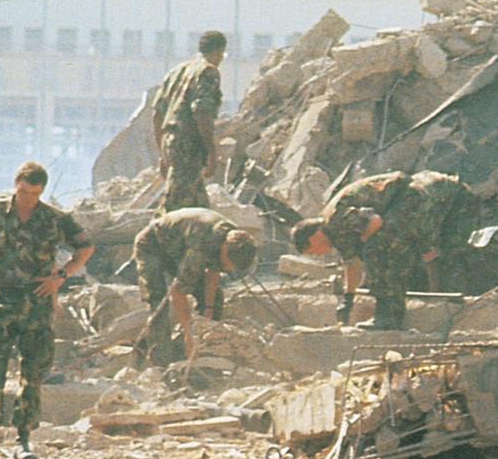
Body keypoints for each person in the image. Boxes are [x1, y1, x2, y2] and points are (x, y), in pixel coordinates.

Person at [0, 161, 95, 459]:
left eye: (34, 194)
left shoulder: (53, 219)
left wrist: (60, 276)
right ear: (16, 185)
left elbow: (86, 247)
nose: (28, 199)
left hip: (38, 304)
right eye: (24, 192)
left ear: (42, 192)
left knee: (32, 374)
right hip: (2, 302)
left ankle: (23, 441)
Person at [290, 170, 477, 330]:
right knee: (400, 244)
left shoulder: (336, 218)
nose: (319, 255)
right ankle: (413, 302)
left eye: (313, 251)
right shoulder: (336, 233)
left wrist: (366, 241)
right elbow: (353, 264)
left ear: (313, 237)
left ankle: (389, 316)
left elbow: (375, 222)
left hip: (425, 190)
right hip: (417, 196)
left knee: (378, 247)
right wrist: (348, 299)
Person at [130, 208, 260, 365]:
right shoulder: (201, 245)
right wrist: (189, 334)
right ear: (225, 250)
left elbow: (214, 271)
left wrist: (208, 310)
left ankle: (203, 350)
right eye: (227, 264)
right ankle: (161, 361)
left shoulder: (232, 237)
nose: (226, 269)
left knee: (216, 298)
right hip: (151, 245)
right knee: (159, 303)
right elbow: (178, 292)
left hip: (179, 248)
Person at [151, 31, 227, 213]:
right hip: (188, 145)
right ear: (219, 52)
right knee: (182, 204)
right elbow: (202, 112)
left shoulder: (176, 72)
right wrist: (211, 151)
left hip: (170, 141)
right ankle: (159, 228)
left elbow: (157, 114)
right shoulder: (208, 71)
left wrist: (163, 151)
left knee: (191, 201)